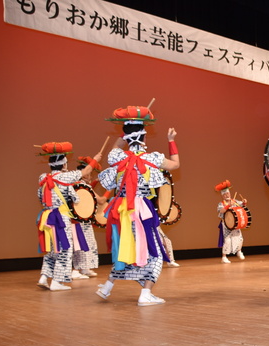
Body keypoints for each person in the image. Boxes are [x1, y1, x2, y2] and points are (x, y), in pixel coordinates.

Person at [95, 105, 180, 306]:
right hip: (141, 209)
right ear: (143, 138)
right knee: (154, 252)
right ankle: (146, 293)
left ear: (126, 136)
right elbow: (175, 164)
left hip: (122, 209)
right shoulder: (152, 158)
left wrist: (125, 132)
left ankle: (107, 287)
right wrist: (171, 141)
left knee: (126, 247)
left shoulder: (117, 157)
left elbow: (116, 148)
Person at [36, 142, 103, 291]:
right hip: (61, 217)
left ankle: (44, 277)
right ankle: (57, 282)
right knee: (65, 249)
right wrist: (95, 159)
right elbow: (85, 172)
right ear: (64, 164)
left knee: (53, 250)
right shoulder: (66, 177)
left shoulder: (43, 178)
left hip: (47, 218)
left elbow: (40, 197)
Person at [70, 158, 105, 279]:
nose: (89, 177)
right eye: (87, 174)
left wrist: (96, 181)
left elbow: (90, 191)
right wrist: (109, 190)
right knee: (79, 244)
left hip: (84, 221)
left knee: (88, 243)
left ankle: (84, 268)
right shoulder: (79, 185)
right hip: (78, 221)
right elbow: (101, 201)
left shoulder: (82, 185)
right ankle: (75, 270)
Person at [215, 180, 247, 263]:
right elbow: (221, 211)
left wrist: (244, 202)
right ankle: (224, 257)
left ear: (230, 194)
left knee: (240, 238)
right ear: (222, 196)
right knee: (227, 240)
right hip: (226, 224)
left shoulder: (235, 201)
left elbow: (242, 206)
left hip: (235, 224)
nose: (226, 195)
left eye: (227, 194)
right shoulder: (221, 203)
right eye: (224, 194)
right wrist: (229, 205)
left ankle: (239, 251)